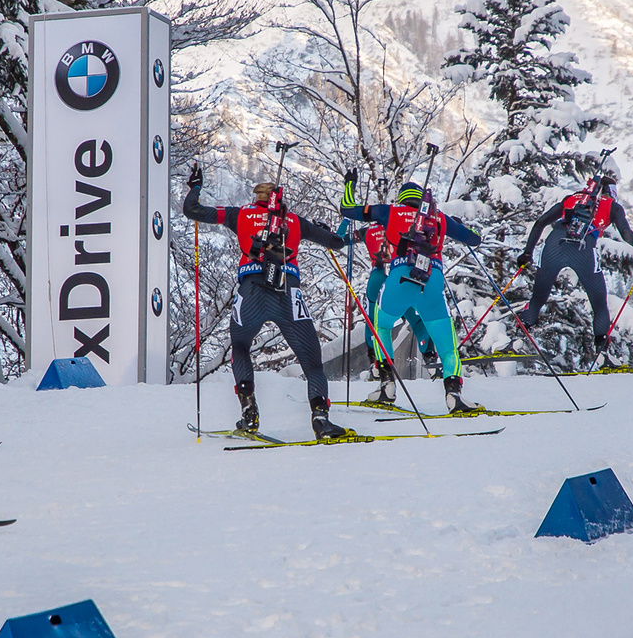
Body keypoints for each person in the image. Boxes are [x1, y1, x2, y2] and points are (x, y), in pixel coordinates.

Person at [183, 167, 351, 439]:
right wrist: (329, 229)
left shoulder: (240, 215)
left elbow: (193, 210)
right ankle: (321, 419)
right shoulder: (295, 221)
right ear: (279, 199)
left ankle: (249, 412)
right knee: (312, 360)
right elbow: (338, 243)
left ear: (256, 197)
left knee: (239, 347)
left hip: (251, 292)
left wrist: (196, 187)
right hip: (288, 293)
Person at [340, 174, 485, 412]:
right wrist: (455, 223)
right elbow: (473, 239)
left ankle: (387, 386)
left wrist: (349, 185)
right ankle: (453, 395)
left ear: (402, 198)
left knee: (382, 326)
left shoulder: (389, 211)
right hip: (432, 280)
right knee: (447, 346)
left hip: (398, 277)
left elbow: (347, 209)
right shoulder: (437, 216)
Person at [515, 166, 633, 356]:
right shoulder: (612, 207)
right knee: (598, 302)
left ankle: (517, 339)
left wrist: (527, 253)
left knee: (538, 297)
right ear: (612, 192)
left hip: (553, 246)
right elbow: (627, 235)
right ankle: (602, 353)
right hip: (582, 250)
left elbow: (541, 222)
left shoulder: (573, 199)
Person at [349, 218, 436, 400]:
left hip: (378, 276)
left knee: (374, 321)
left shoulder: (367, 230)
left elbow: (341, 239)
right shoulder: (400, 222)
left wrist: (345, 221)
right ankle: (430, 356)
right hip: (400, 275)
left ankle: (377, 365)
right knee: (413, 315)